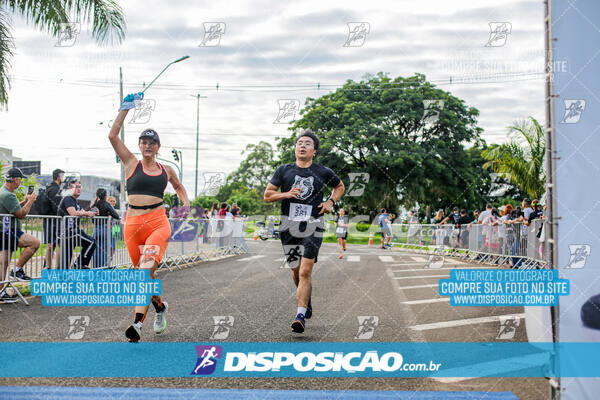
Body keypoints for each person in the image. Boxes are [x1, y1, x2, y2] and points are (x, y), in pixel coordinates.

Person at [110, 92, 191, 342]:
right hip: (132, 225)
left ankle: (136, 325)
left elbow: (179, 187)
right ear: (139, 145)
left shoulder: (167, 170)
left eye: (152, 142)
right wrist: (125, 108)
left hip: (157, 222)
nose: (147, 145)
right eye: (143, 141)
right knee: (145, 276)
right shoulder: (130, 163)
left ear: (158, 147)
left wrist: (185, 204)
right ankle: (160, 307)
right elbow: (112, 135)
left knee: (144, 273)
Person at [264, 129, 345, 333]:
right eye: (299, 142)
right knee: (295, 271)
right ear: (295, 148)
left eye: (307, 143)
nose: (302, 146)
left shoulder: (322, 171)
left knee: (305, 270)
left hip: (313, 224)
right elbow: (268, 195)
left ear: (314, 151)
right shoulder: (284, 170)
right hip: (288, 225)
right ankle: (306, 302)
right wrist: (287, 194)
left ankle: (300, 315)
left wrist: (330, 202)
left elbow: (340, 186)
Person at [0, 168, 39, 302]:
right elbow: (21, 214)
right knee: (34, 243)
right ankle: (16, 271)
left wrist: (24, 201)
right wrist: (31, 201)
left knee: (3, 263)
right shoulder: (8, 195)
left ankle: (1, 291)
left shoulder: (5, 192)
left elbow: (13, 208)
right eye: (20, 179)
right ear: (15, 179)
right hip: (8, 231)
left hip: (6, 231)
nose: (21, 182)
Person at [57, 180, 98, 269]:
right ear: (69, 188)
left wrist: (92, 213)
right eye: (76, 187)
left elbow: (83, 212)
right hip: (69, 231)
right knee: (91, 242)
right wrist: (87, 213)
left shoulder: (75, 201)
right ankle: (79, 264)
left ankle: (62, 275)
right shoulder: (68, 198)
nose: (79, 189)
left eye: (80, 187)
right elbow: (73, 212)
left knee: (67, 256)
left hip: (72, 231)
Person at [90, 188, 120, 268]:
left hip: (96, 229)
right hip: (105, 229)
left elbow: (92, 220)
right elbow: (116, 216)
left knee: (96, 249)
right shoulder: (107, 204)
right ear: (106, 196)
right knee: (105, 250)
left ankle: (95, 267)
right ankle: (103, 268)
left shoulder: (94, 205)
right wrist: (109, 212)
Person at [42, 168, 64, 269]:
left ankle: (48, 268)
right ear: (59, 177)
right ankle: (58, 268)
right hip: (55, 220)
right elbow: (57, 207)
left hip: (47, 220)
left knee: (51, 245)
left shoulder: (48, 187)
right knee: (60, 244)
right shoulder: (56, 189)